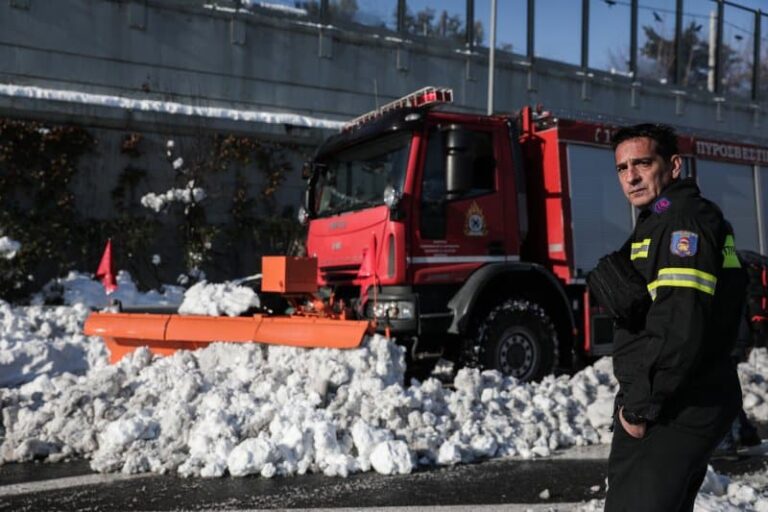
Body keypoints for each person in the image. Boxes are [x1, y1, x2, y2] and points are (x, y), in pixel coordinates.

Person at [597, 123, 746, 511]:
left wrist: (641, 406)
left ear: (673, 165)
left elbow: (680, 322)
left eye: (643, 163)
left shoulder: (683, 224)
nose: (631, 177)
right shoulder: (662, 217)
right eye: (622, 168)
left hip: (676, 404)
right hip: (679, 397)